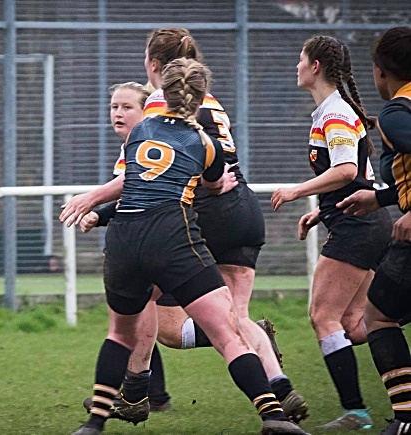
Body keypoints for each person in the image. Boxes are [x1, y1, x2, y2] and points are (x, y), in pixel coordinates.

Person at [64, 28, 308, 425]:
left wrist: (94, 201)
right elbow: (215, 174)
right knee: (231, 322)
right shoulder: (209, 119)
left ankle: (131, 395)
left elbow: (140, 180)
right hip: (238, 207)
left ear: (155, 70)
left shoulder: (150, 119)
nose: (119, 113)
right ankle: (276, 395)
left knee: (141, 317)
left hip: (175, 221)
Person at [270, 34, 393, 430]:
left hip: (359, 227)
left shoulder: (335, 113)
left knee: (323, 316)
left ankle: (356, 412)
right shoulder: (330, 110)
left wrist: (297, 192)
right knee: (356, 324)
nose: (296, 66)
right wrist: (322, 214)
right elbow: (362, 178)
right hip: (361, 221)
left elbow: (347, 172)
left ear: (316, 67)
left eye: (300, 59)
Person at [335, 26, 411, 435]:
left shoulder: (398, 111)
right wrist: (379, 198)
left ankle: (406, 418)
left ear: (382, 72)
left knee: (379, 316)